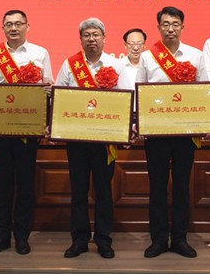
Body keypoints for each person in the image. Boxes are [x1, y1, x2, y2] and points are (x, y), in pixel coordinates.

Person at [55, 18, 131, 259]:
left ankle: (103, 240)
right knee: (78, 191)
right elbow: (59, 98)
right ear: (80, 39)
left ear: (104, 38)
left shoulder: (116, 65)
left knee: (104, 191)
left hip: (104, 141)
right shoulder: (70, 65)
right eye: (87, 35)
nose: (91, 39)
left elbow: (126, 99)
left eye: (96, 34)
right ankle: (79, 240)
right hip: (76, 139)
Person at [136, 6, 208, 259]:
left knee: (181, 187)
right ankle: (158, 240)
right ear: (158, 27)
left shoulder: (196, 55)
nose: (170, 29)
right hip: (156, 133)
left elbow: (204, 91)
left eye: (175, 24)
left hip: (185, 133)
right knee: (157, 187)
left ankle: (179, 239)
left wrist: (205, 122)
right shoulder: (148, 57)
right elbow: (139, 91)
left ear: (182, 27)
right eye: (165, 24)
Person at [0, 10, 53, 256]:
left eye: (18, 24)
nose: (13, 28)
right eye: (8, 24)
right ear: (3, 27)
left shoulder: (40, 53)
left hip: (27, 129)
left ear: (27, 26)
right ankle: (1, 236)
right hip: (0, 128)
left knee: (25, 183)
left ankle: (22, 236)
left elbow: (48, 87)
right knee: (2, 183)